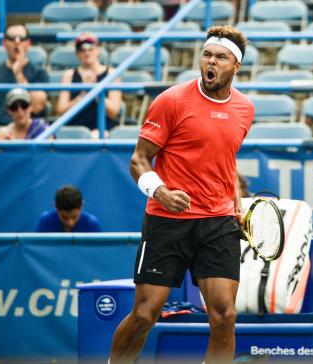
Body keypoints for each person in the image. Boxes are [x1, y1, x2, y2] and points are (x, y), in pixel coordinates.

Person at [110, 25, 254, 364]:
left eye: (221, 57)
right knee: (145, 314)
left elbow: (224, 160)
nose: (211, 62)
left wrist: (235, 204)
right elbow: (139, 160)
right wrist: (160, 192)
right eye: (207, 55)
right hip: (167, 221)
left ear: (237, 66)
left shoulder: (245, 109)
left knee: (225, 316)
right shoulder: (172, 100)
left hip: (218, 223)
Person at [0, 23, 49, 126]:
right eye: (11, 38)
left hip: (29, 130)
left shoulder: (40, 73)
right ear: (4, 43)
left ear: (29, 43)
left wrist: (19, 74)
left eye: (21, 38)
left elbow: (37, 107)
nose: (17, 42)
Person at [57, 32, 123, 139]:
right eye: (82, 49)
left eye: (90, 48)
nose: (86, 53)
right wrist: (82, 96)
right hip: (74, 130)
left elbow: (113, 112)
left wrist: (94, 90)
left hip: (102, 130)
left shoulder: (111, 74)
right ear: (77, 53)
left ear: (98, 50)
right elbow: (61, 110)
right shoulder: (69, 75)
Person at [35, 185, 102, 233]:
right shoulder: (46, 221)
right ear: (55, 207)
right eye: (64, 217)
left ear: (82, 205)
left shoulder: (91, 223)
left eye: (74, 217)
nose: (70, 223)